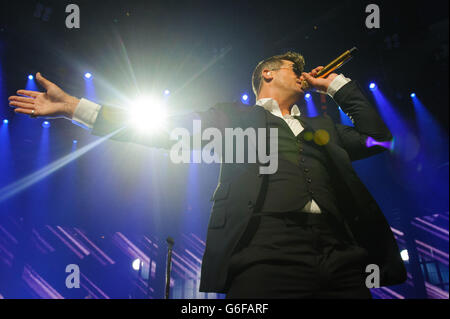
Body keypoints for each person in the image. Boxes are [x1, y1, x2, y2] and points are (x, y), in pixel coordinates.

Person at [8, 51, 406, 298]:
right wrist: (75, 107)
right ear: (267, 74)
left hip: (342, 257)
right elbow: (163, 130)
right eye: (292, 68)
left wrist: (336, 85)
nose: (302, 74)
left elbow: (379, 140)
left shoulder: (327, 129)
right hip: (266, 255)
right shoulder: (233, 118)